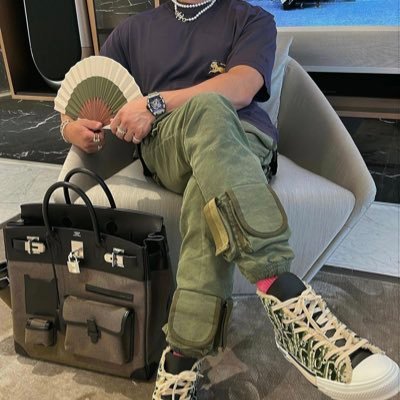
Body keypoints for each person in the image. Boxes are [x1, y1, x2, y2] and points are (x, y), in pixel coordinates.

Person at [59, 0, 400, 399]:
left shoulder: (251, 18)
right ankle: (285, 295)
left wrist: (155, 103)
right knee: (207, 112)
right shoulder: (132, 32)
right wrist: (71, 129)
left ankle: (181, 359)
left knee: (207, 175)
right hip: (167, 146)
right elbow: (85, 93)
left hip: (245, 141)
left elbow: (240, 87)